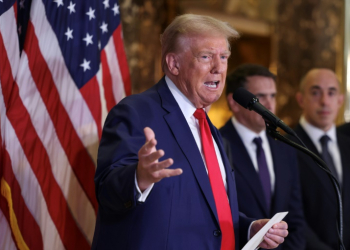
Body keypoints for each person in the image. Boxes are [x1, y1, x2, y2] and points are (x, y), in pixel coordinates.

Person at [92, 14, 288, 250]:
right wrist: (138, 177)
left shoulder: (211, 131)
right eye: (205, 56)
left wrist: (248, 228)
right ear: (174, 64)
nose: (218, 68)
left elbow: (209, 212)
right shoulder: (135, 112)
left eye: (223, 57)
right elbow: (106, 191)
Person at [219, 64, 305, 249]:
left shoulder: (285, 146)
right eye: (260, 97)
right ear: (235, 103)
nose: (269, 104)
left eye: (272, 95)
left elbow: (296, 216)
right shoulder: (216, 144)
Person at [293, 68, 350, 249]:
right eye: (315, 92)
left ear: (341, 99)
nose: (324, 101)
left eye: (331, 93)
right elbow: (290, 213)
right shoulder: (284, 145)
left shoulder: (348, 144)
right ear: (301, 99)